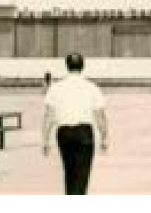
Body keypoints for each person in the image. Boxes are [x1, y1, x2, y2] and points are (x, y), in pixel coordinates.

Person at [42, 53, 109, 195]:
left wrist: (45, 140)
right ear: (82, 66)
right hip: (84, 133)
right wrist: (104, 137)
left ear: (67, 66)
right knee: (82, 175)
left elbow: (49, 116)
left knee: (69, 172)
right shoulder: (91, 87)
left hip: (64, 134)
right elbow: (100, 116)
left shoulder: (56, 88)